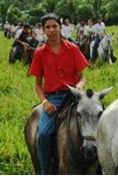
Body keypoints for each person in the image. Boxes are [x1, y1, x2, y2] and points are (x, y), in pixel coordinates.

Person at [29, 13, 88, 175]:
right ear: (43, 30)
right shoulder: (40, 53)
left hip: (74, 95)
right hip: (53, 99)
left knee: (96, 120)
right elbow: (38, 85)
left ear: (60, 27)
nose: (52, 30)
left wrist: (78, 87)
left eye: (55, 26)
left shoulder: (73, 48)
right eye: (47, 27)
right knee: (44, 134)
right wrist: (45, 102)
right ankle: (45, 171)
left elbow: (82, 78)